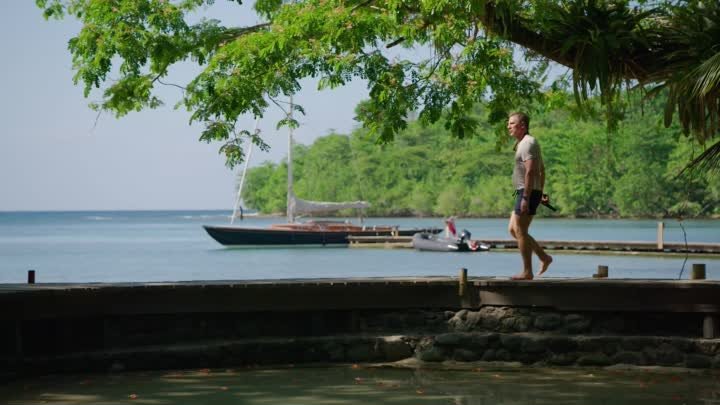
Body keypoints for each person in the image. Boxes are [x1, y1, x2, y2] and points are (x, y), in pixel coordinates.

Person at [507, 112, 553, 280]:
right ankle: (544, 257)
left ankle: (527, 271)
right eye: (508, 123)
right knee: (514, 230)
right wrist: (539, 192)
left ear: (523, 126)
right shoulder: (523, 143)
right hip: (527, 191)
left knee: (520, 230)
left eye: (512, 123)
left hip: (527, 193)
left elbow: (532, 171)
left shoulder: (527, 143)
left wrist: (528, 197)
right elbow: (542, 170)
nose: (508, 126)